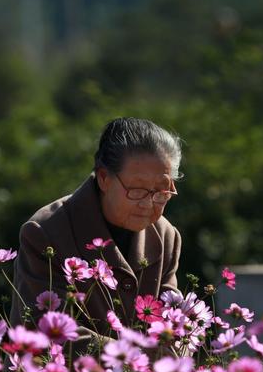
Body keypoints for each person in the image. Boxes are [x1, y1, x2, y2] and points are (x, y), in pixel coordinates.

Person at [10, 117, 182, 337]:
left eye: (161, 191)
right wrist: (133, 356)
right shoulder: (45, 232)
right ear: (104, 179)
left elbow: (172, 320)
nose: (148, 203)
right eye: (137, 189)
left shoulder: (166, 236)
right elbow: (43, 330)